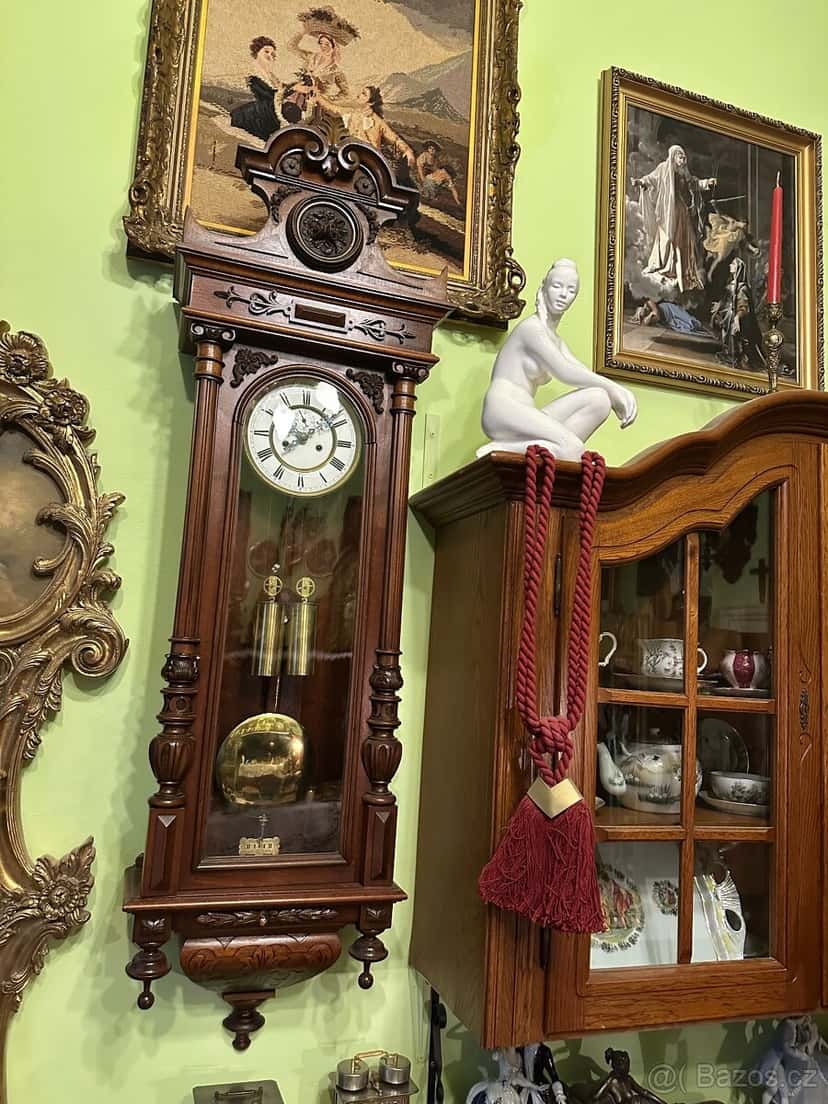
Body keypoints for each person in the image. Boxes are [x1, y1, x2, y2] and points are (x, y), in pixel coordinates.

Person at [477, 259, 637, 462]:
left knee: (599, 399)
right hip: (503, 409)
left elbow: (581, 373)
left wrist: (611, 392)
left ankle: (534, 449)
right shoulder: (531, 328)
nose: (563, 294)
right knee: (573, 448)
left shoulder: (556, 341)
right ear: (544, 287)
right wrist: (615, 389)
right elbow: (564, 371)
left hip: (527, 412)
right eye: (557, 286)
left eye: (571, 290)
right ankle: (503, 449)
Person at [632, 145, 717, 293]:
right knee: (668, 237)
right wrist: (640, 182)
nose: (683, 160)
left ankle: (683, 270)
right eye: (680, 157)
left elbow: (694, 184)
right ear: (673, 156)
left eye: (684, 157)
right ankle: (666, 266)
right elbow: (651, 179)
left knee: (684, 239)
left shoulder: (684, 173)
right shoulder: (663, 168)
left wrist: (707, 182)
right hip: (668, 210)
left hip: (681, 210)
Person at [711, 257, 765, 371]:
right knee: (724, 329)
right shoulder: (731, 285)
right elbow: (726, 300)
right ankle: (728, 353)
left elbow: (743, 307)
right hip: (728, 315)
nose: (730, 265)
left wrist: (737, 318)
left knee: (735, 333)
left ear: (738, 268)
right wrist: (719, 306)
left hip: (741, 318)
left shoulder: (742, 288)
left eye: (733, 264)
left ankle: (739, 358)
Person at [230, 37, 283, 141]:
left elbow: (278, 91)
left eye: (272, 54)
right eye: (266, 52)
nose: (269, 56)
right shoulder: (252, 71)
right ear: (257, 52)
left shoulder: (271, 75)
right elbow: (266, 93)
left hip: (268, 108)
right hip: (256, 113)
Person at [633, 298, 709, 335]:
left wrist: (651, 315)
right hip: (668, 319)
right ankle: (702, 329)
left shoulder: (649, 302)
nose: (646, 309)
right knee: (685, 328)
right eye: (645, 313)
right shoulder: (647, 317)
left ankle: (707, 329)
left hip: (670, 309)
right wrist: (650, 315)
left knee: (689, 320)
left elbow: (657, 316)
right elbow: (644, 324)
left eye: (645, 309)